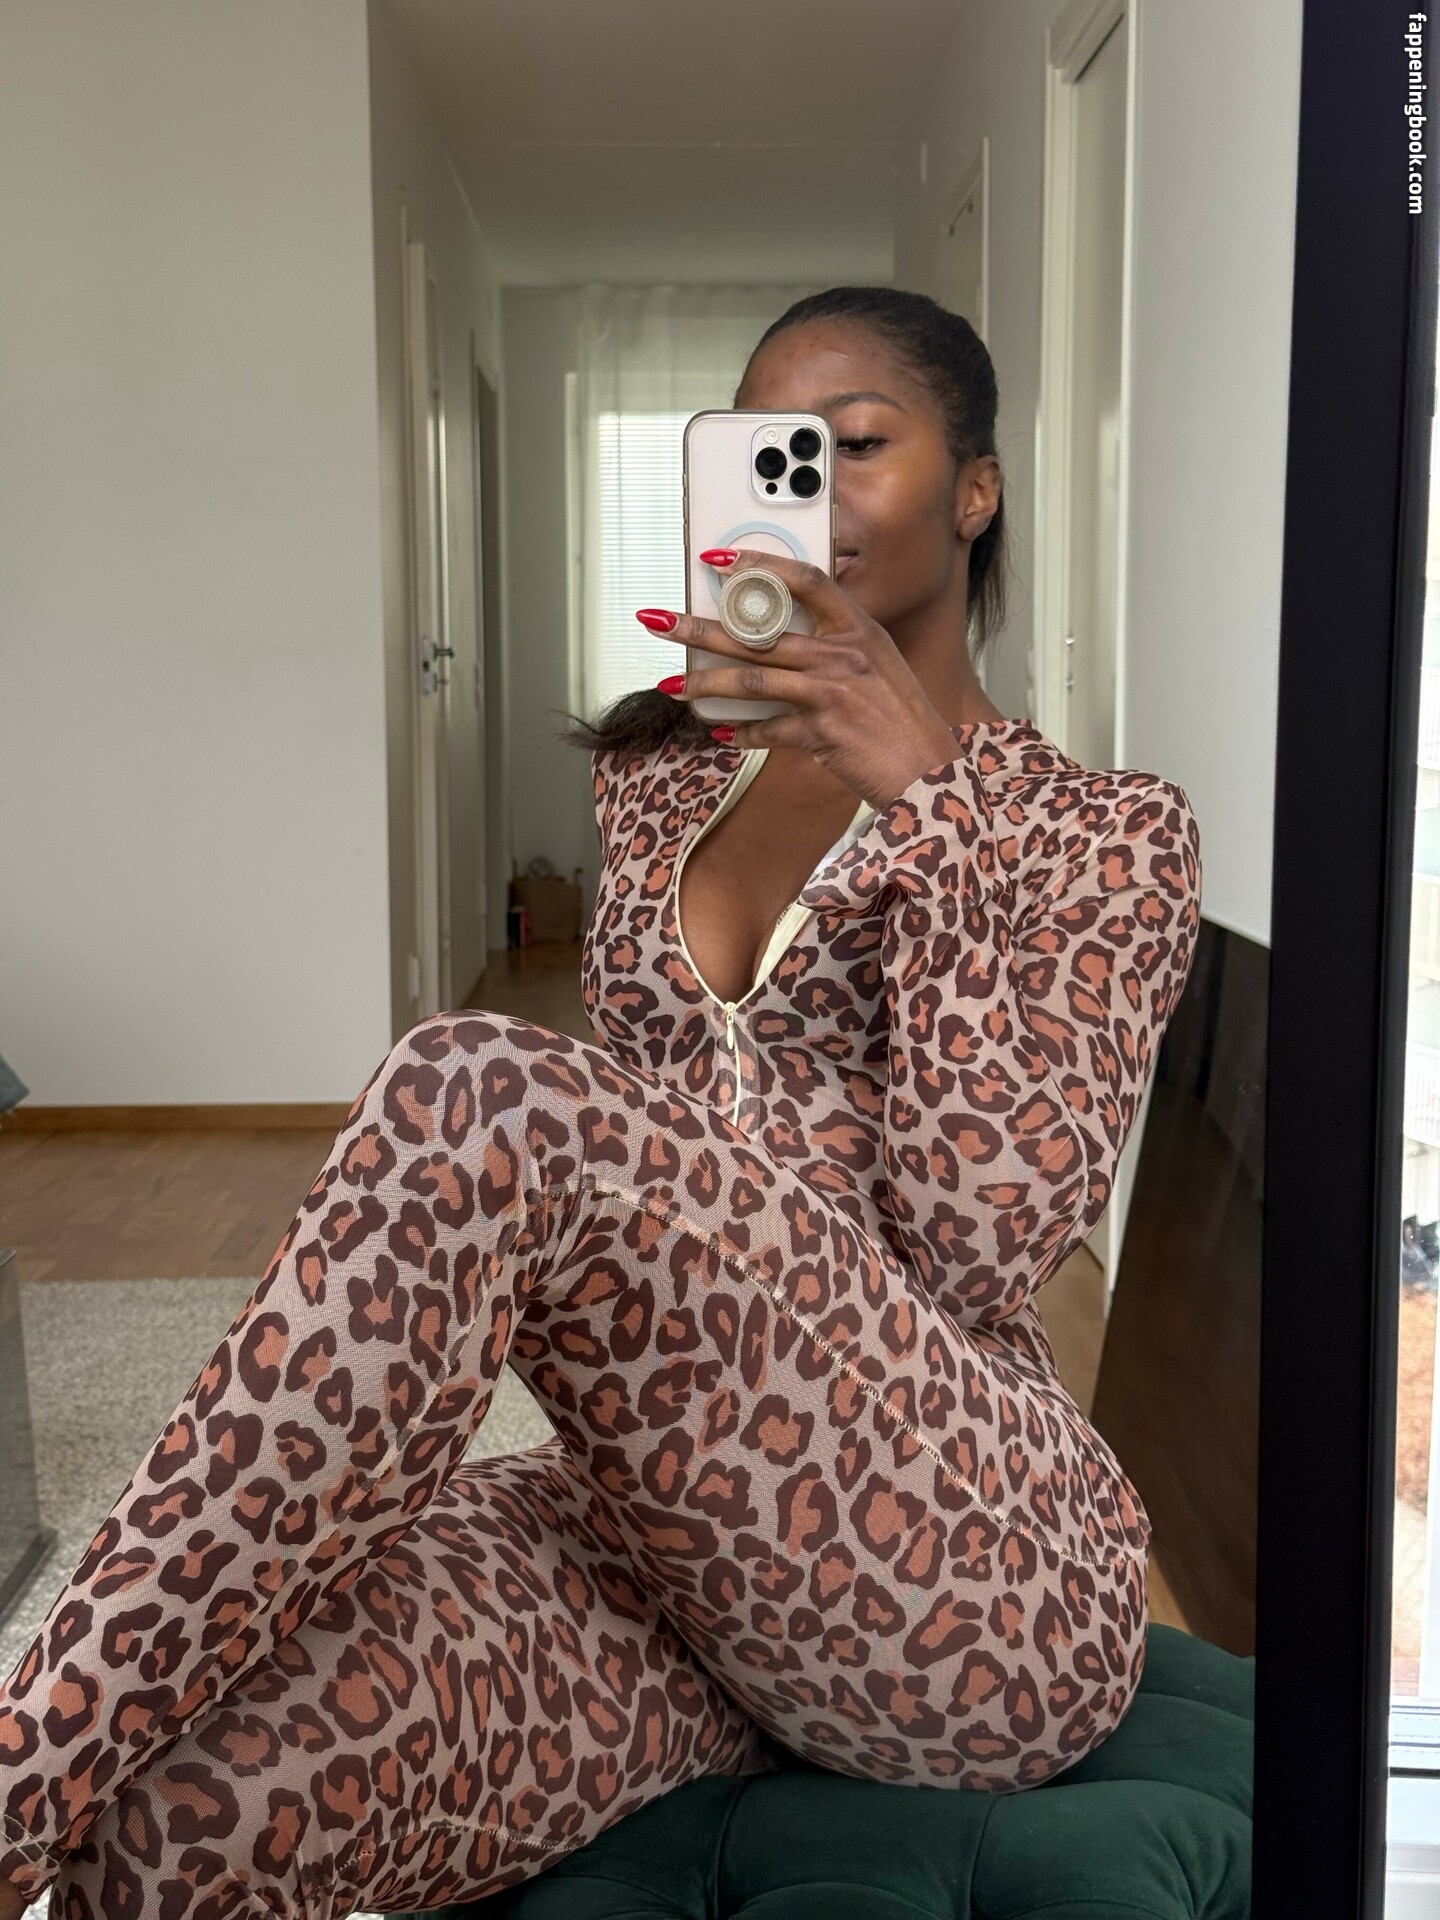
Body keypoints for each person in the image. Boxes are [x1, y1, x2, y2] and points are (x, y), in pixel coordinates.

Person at [0, 287, 1202, 1918]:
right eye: (772, 454)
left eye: (858, 446)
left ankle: (17, 1769)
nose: (815, 492)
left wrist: (934, 799)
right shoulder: (658, 778)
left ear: (975, 490)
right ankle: (60, 1785)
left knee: (473, 1081)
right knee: (189, 1813)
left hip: (967, 1575)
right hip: (673, 1552)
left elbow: (982, 1244)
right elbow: (619, 1206)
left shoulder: (1104, 832)